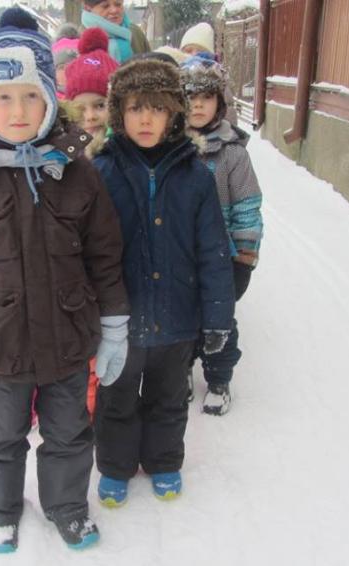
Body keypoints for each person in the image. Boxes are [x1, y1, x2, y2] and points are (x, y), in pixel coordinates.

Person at [0, 7, 130, 553]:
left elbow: (105, 256)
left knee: (69, 434)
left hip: (68, 340)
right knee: (0, 436)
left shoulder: (78, 174)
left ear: (49, 99)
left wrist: (114, 325)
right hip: (1, 347)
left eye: (30, 96)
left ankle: (67, 507)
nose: (17, 111)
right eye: (2, 97)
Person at [89, 57, 235, 507]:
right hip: (120, 321)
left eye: (157, 107)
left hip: (177, 319)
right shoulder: (102, 172)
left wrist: (218, 319)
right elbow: (86, 252)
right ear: (119, 112)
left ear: (175, 112)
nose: (146, 119)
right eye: (135, 107)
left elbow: (214, 252)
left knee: (168, 400)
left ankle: (164, 460)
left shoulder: (196, 176)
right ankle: (115, 467)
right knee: (115, 400)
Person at [180, 57, 263, 416]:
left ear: (219, 103)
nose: (198, 105)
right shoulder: (170, 149)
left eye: (206, 98)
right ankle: (181, 368)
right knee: (181, 319)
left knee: (220, 320)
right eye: (190, 98)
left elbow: (247, 207)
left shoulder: (232, 155)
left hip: (222, 258)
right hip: (179, 254)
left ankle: (218, 378)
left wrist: (244, 257)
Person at [65, 28, 118, 140]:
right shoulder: (62, 148)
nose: (90, 116)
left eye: (100, 105)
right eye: (80, 109)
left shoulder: (128, 147)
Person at [81, 0, 149, 63]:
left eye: (118, 4)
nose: (114, 10)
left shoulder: (135, 32)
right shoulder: (80, 38)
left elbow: (151, 66)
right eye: (105, 6)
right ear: (88, 8)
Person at [52, 24, 80, 99]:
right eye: (61, 67)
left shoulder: (89, 98)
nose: (67, 71)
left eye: (73, 67)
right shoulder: (47, 99)